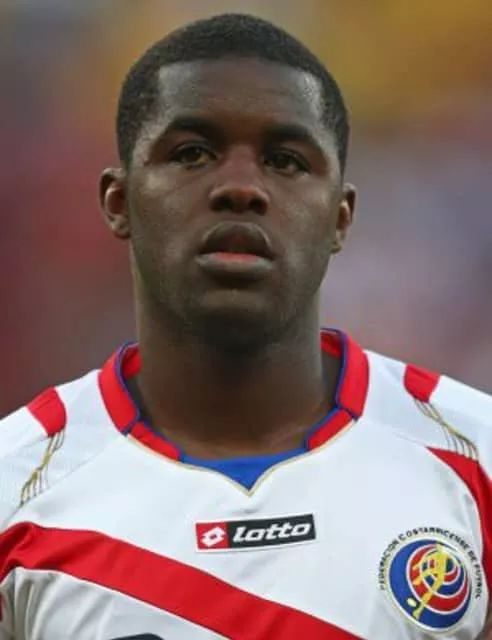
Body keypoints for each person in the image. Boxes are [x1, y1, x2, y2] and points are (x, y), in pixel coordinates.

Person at [0, 13, 490, 640]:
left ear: (341, 217)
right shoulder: (17, 485)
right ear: (118, 202)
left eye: (285, 161)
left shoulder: (476, 459)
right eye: (192, 154)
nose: (240, 188)